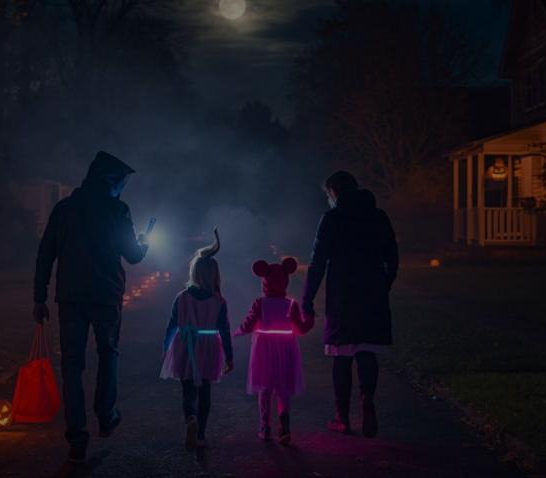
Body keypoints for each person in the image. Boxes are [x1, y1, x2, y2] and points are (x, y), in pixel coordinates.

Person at [33, 151, 149, 463]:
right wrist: (144, 243)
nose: (123, 188)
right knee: (108, 353)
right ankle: (106, 414)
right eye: (122, 182)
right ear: (111, 181)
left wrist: (39, 297)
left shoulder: (64, 209)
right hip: (106, 296)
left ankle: (77, 436)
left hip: (70, 297)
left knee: (72, 366)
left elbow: (46, 254)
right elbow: (134, 256)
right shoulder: (118, 210)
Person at [301, 171, 398, 438]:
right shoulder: (378, 217)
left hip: (342, 297)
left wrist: (307, 300)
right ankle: (367, 400)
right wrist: (384, 284)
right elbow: (393, 255)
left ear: (333, 191)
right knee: (367, 351)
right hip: (372, 294)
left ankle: (342, 417)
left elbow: (318, 262)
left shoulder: (332, 219)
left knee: (341, 356)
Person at [160, 229, 234, 449]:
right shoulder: (219, 301)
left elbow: (172, 324)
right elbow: (225, 330)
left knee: (188, 389)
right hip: (209, 347)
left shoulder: (181, 297)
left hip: (185, 345)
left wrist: (166, 348)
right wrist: (229, 356)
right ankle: (200, 432)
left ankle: (190, 418)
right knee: (205, 390)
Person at [235, 257, 313, 445]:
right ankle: (284, 424)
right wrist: (309, 318)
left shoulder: (260, 303)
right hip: (286, 347)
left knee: (264, 386)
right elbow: (301, 329)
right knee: (283, 387)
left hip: (263, 347)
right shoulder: (291, 304)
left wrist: (237, 331)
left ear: (264, 281)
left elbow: (249, 323)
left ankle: (265, 426)